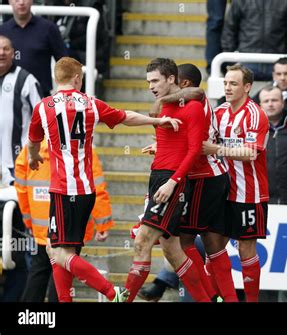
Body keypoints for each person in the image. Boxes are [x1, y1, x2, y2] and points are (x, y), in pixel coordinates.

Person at [27, 56, 178, 302]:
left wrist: (34, 158)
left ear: (57, 77)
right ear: (77, 78)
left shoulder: (44, 107)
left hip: (65, 190)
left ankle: (112, 292)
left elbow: (33, 142)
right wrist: (156, 120)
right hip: (86, 189)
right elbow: (125, 117)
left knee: (56, 251)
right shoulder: (90, 103)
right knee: (63, 250)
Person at [142, 62, 234, 302]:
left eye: (161, 81)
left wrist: (162, 101)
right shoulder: (179, 105)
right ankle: (219, 297)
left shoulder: (194, 100)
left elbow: (198, 92)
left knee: (182, 242)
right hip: (209, 176)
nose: (156, 87)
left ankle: (210, 297)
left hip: (204, 176)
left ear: (181, 83)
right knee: (211, 245)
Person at [124, 58, 210, 303]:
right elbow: (175, 141)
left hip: (172, 180)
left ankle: (123, 300)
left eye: (155, 80)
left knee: (142, 242)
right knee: (173, 251)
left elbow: (194, 150)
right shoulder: (162, 105)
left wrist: (173, 181)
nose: (151, 86)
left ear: (171, 79)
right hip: (158, 176)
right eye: (148, 81)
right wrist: (159, 146)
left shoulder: (192, 106)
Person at [202, 64, 270, 302]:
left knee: (245, 249)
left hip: (249, 193)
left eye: (234, 83)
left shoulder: (255, 114)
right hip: (221, 191)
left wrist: (218, 149)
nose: (228, 88)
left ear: (247, 87)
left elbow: (252, 152)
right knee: (214, 248)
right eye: (226, 83)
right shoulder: (219, 112)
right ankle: (218, 298)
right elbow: (199, 142)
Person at [15, 141, 114, 302]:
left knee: (39, 271)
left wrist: (29, 220)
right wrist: (102, 222)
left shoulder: (30, 149)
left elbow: (21, 187)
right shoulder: (81, 148)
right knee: (64, 272)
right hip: (70, 222)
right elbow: (96, 184)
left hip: (41, 224)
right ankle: (113, 293)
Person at [221, 0, 287, 81]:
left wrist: (286, 57)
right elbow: (229, 30)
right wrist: (232, 61)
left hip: (277, 63)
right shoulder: (239, 1)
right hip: (246, 61)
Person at [0, 0, 68, 96]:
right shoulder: (2, 31)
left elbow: (65, 63)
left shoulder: (48, 28)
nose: (21, 2)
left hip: (41, 95)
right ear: (10, 1)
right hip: (8, 94)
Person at [0, 35, 42, 187]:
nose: (2, 53)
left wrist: (34, 151)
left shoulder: (26, 79)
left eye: (6, 49)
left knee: (16, 207)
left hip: (18, 160)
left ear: (13, 53)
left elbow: (43, 118)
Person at [260, 86, 287, 205]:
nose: (270, 104)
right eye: (266, 101)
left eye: (274, 100)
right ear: (260, 105)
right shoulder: (254, 130)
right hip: (262, 199)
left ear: (283, 102)